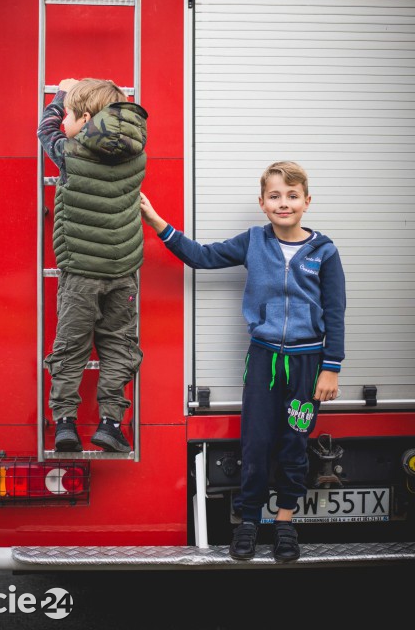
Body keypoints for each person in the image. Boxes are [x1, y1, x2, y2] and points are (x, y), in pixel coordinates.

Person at [140, 161, 346, 562]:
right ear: (262, 203)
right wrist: (156, 221)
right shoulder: (253, 241)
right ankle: (250, 522)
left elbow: (335, 311)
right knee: (255, 445)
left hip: (308, 365)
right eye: (274, 196)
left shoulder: (324, 251)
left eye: (291, 195)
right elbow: (201, 256)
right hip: (263, 361)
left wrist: (331, 366)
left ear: (307, 201)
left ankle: (285, 523)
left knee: (294, 444)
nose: (283, 203)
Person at [38, 77, 147, 453]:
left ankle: (65, 422)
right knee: (120, 346)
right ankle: (111, 424)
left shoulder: (70, 152)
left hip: (80, 273)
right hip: (124, 274)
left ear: (85, 119)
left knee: (71, 346)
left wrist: (58, 95)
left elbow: (45, 129)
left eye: (70, 114)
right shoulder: (137, 153)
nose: (63, 119)